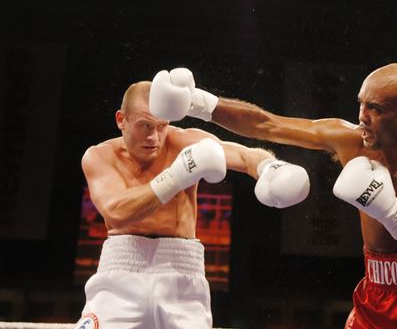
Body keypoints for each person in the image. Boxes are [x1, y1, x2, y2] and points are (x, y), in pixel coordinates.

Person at [149, 63, 397, 328]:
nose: (362, 117)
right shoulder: (350, 139)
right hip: (377, 299)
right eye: (361, 104)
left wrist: (389, 211)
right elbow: (268, 125)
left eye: (376, 109)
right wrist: (199, 103)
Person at [75, 79, 310, 329]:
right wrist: (177, 176)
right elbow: (117, 211)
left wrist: (270, 168)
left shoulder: (185, 142)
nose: (154, 137)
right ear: (121, 120)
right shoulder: (99, 156)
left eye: (162, 126)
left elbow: (245, 154)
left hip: (181, 274)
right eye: (144, 125)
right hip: (120, 273)